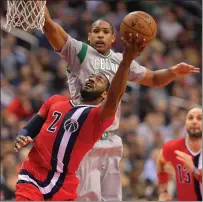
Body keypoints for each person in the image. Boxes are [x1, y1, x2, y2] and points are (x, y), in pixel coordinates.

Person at [43, 6, 200, 201]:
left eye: (106, 32)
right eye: (96, 31)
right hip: (86, 135)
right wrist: (40, 9)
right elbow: (50, 28)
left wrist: (173, 72)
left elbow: (154, 79)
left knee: (112, 198)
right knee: (86, 198)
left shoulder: (121, 60)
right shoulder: (79, 51)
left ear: (114, 39)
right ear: (89, 36)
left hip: (111, 140)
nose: (100, 35)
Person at [14, 34, 144, 201]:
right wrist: (22, 135)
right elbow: (33, 125)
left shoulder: (98, 116)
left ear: (104, 94)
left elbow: (115, 97)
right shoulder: (56, 100)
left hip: (63, 183)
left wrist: (125, 62)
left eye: (98, 80)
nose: (91, 79)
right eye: (91, 77)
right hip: (32, 172)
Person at [156, 108, 202, 201]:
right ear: (185, 125)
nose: (194, 121)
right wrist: (164, 191)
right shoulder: (173, 147)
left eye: (199, 118)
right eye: (190, 118)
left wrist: (193, 170)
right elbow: (161, 160)